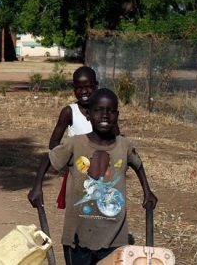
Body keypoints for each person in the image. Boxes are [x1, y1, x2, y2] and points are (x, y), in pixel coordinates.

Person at [28, 89, 157, 264]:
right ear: (88, 114)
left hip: (114, 237)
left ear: (117, 115)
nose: (105, 116)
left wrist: (147, 191)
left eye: (111, 111)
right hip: (78, 238)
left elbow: (138, 164)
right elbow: (48, 159)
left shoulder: (124, 145)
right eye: (98, 110)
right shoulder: (75, 143)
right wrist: (37, 187)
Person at [48, 67, 120, 209]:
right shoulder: (69, 112)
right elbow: (53, 144)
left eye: (88, 87)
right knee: (79, 211)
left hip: (104, 172)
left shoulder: (104, 111)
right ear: (73, 88)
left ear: (96, 85)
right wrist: (70, 159)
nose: (84, 92)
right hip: (78, 173)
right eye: (79, 88)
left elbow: (117, 139)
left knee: (102, 212)